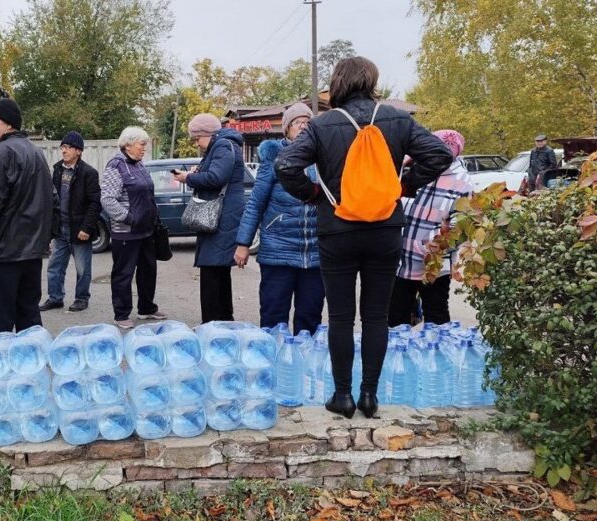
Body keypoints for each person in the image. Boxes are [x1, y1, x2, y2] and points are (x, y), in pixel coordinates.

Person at [275, 56, 452, 420]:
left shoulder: (322, 125)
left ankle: (342, 396)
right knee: (375, 315)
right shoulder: (398, 119)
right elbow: (440, 154)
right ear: (372, 80)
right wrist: (405, 185)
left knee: (340, 316)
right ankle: (369, 395)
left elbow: (285, 165)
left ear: (338, 82)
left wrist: (312, 194)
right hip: (385, 229)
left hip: (337, 228)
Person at [0, 98, 58, 336]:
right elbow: (53, 201)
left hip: (5, 252)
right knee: (29, 315)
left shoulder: (0, 154)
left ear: (9, 123)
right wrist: (47, 236)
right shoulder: (36, 153)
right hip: (32, 252)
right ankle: (32, 367)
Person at [235, 103, 325, 332]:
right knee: (274, 317)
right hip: (278, 250)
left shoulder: (323, 159)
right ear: (287, 129)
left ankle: (303, 365)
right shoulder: (275, 159)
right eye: (298, 123)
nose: (303, 127)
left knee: (310, 319)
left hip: (314, 253)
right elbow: (256, 203)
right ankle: (273, 362)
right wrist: (243, 244)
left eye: (308, 123)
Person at [388, 129, 474, 327]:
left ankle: (437, 355)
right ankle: (398, 356)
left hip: (434, 265)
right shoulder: (412, 168)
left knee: (436, 318)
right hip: (400, 259)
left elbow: (461, 226)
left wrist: (431, 245)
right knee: (395, 318)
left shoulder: (462, 182)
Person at [172, 114, 245, 323]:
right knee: (218, 273)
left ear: (206, 134)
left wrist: (188, 177)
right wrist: (198, 171)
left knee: (212, 275)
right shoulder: (223, 145)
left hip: (221, 219)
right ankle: (223, 322)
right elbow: (215, 174)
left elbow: (216, 178)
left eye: (197, 139)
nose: (197, 144)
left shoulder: (222, 146)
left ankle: (213, 325)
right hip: (222, 217)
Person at [100, 126, 165, 329]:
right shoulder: (115, 167)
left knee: (148, 271)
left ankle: (146, 308)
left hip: (146, 230)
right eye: (141, 144)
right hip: (126, 231)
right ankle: (121, 314)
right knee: (123, 274)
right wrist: (129, 218)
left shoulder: (139, 165)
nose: (144, 148)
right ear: (128, 144)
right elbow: (108, 199)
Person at [39, 131, 102, 313]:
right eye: (63, 147)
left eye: (68, 147)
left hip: (80, 229)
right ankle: (55, 298)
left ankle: (81, 298)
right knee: (55, 266)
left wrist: (86, 227)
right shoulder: (57, 169)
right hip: (61, 228)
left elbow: (95, 203)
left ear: (78, 151)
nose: (64, 151)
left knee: (83, 268)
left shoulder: (89, 173)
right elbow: (52, 200)